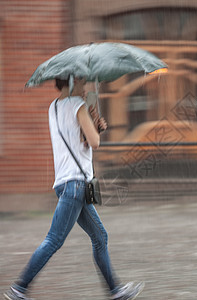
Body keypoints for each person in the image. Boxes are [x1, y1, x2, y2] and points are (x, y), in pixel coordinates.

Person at [4, 77, 144, 300]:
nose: (85, 84)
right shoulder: (78, 105)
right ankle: (19, 288)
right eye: (81, 80)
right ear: (70, 81)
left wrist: (92, 127)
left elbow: (79, 141)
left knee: (100, 237)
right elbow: (95, 142)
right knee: (54, 240)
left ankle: (116, 291)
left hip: (64, 183)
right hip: (76, 184)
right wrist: (96, 129)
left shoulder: (54, 107)